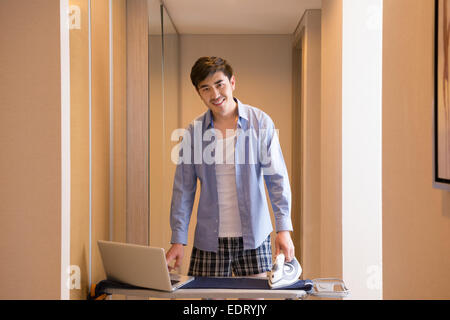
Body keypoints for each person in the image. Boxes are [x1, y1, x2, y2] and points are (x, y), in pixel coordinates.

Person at [165, 56, 295, 279]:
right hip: (209, 240)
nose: (214, 95)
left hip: (255, 236)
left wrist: (283, 229)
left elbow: (277, 180)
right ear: (199, 92)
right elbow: (183, 190)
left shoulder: (260, 122)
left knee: (254, 307)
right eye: (205, 88)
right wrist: (178, 239)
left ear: (232, 82)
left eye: (219, 84)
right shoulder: (193, 132)